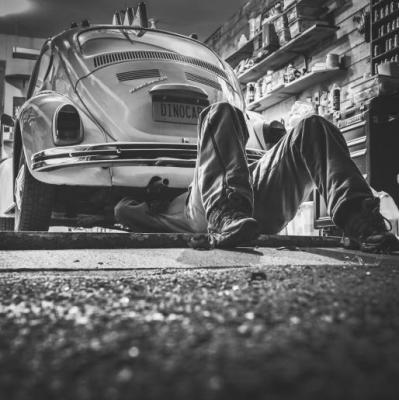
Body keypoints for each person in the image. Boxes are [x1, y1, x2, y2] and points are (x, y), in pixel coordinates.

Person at [114, 102, 399, 253]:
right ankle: (226, 217)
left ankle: (363, 226)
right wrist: (150, 195)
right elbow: (122, 210)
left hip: (251, 204)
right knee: (220, 111)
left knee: (313, 127)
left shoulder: (214, 165)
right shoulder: (153, 208)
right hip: (209, 216)